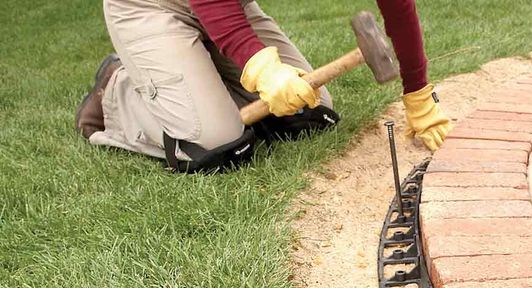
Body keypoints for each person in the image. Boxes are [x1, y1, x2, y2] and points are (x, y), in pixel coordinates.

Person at [76, 0, 451, 172]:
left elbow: (398, 7)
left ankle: (197, 72)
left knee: (309, 112)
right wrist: (265, 71)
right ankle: (116, 89)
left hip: (230, 6)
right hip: (150, 7)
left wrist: (418, 94)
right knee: (214, 145)